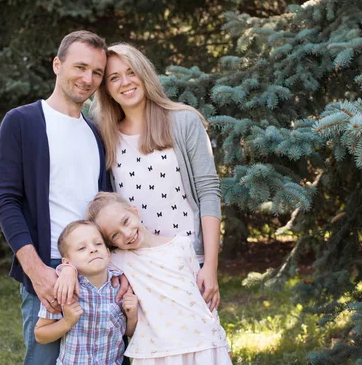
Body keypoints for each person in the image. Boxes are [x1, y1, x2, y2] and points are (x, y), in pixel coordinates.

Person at [0, 30, 112, 365]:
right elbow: (6, 201)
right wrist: (37, 271)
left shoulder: (96, 132)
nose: (88, 79)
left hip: (97, 272)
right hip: (48, 271)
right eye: (80, 67)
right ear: (57, 65)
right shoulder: (22, 122)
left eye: (97, 73)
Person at [93, 43, 222, 311]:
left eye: (131, 72)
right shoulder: (106, 136)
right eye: (114, 78)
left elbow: (209, 193)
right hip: (137, 264)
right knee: (149, 349)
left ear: (144, 74)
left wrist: (210, 265)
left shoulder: (184, 121)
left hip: (188, 258)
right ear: (106, 88)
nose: (125, 83)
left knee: (200, 341)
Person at [84, 192, 232, 364]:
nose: (126, 233)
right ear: (111, 243)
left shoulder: (181, 245)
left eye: (125, 221)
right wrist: (67, 271)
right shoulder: (118, 259)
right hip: (157, 350)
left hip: (203, 342)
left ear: (135, 211)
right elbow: (85, 262)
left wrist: (222, 341)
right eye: (115, 235)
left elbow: (204, 299)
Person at [35, 220, 138, 365]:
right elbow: (40, 335)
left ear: (108, 253)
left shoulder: (120, 288)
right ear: (67, 262)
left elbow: (129, 333)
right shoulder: (63, 290)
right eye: (82, 248)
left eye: (98, 244)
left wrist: (132, 315)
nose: (93, 249)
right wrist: (67, 322)